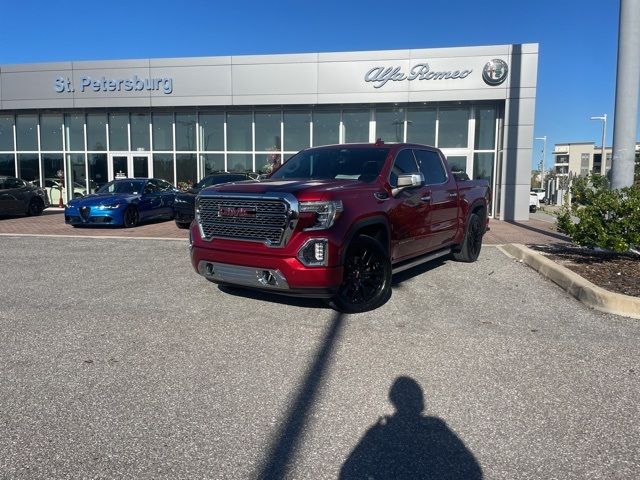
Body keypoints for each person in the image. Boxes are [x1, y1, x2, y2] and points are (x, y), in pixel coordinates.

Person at [340, 377, 483, 479]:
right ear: (421, 403)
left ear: (393, 400)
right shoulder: (436, 428)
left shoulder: (380, 433)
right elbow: (472, 470)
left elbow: (348, 472)